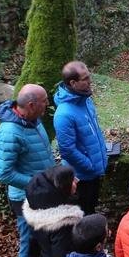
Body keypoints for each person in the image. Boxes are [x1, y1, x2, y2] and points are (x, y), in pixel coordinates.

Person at [0, 83, 56, 257]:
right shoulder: (10, 132)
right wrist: (39, 182)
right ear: (30, 105)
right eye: (44, 101)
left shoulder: (33, 120)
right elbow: (5, 173)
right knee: (29, 243)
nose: (48, 104)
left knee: (41, 242)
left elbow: (40, 155)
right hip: (25, 199)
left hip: (42, 194)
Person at [54, 61, 108, 216]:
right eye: (85, 79)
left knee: (91, 209)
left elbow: (93, 132)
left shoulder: (86, 101)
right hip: (82, 178)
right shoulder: (63, 114)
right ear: (73, 83)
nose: (90, 81)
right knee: (83, 216)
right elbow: (67, 151)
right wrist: (90, 165)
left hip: (94, 171)